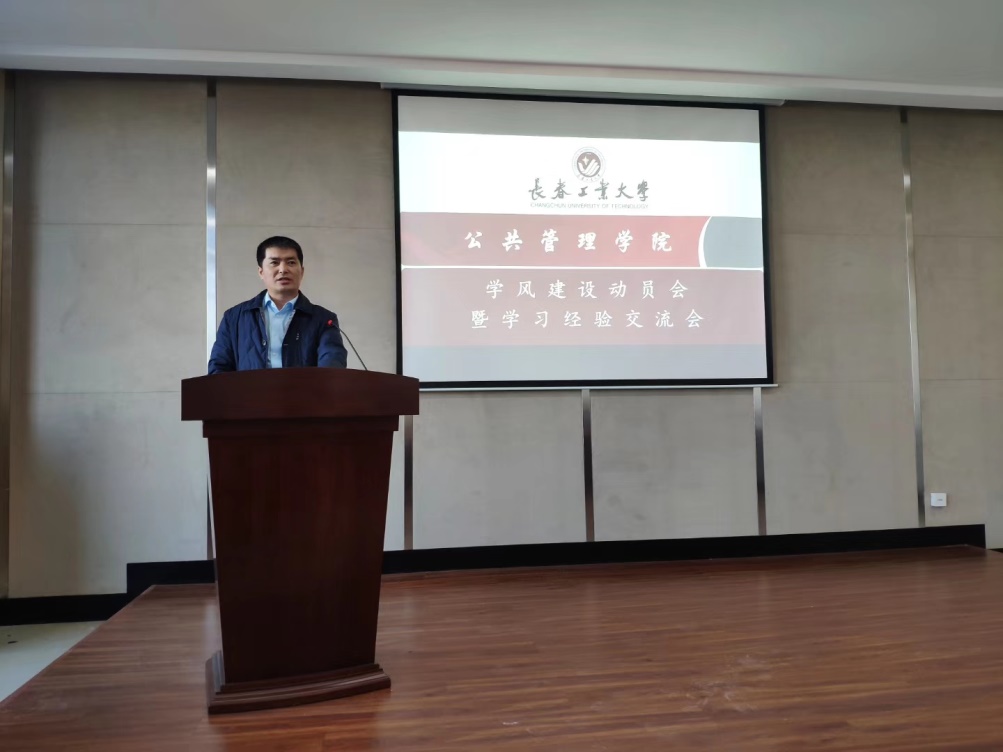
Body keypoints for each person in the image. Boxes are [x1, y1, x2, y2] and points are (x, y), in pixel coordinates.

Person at [208, 236, 348, 373]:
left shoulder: (324, 319)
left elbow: (332, 368)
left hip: (305, 390)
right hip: (249, 390)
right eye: (274, 263)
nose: (283, 269)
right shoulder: (234, 317)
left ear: (302, 271)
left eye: (291, 262)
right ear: (261, 272)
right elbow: (219, 368)